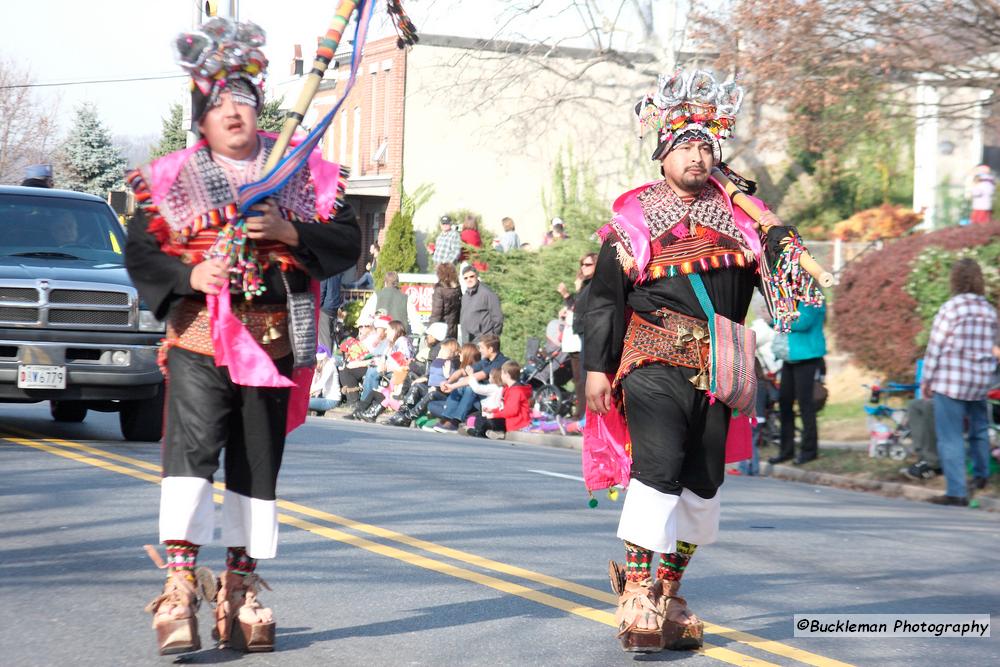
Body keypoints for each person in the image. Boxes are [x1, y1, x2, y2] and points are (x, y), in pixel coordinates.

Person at [123, 16, 360, 656]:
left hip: (274, 343)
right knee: (192, 461)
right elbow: (142, 257)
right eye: (220, 101)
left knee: (257, 466)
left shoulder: (300, 174)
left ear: (260, 109)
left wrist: (290, 235)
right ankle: (179, 587)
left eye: (245, 99)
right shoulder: (171, 178)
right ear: (201, 114)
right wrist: (189, 272)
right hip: (201, 339)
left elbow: (346, 243)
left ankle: (240, 586)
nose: (234, 111)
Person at [584, 69, 821, 653]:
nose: (697, 154)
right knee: (658, 467)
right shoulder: (633, 220)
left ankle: (669, 592)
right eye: (685, 144)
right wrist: (595, 367)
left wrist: (781, 242)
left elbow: (786, 289)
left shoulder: (745, 217)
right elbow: (604, 300)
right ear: (663, 152)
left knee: (703, 485)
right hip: (653, 358)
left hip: (723, 364)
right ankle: (637, 592)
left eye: (705, 145)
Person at [921, 258, 998, 506]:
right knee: (979, 430)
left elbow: (936, 346)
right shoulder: (989, 310)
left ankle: (957, 491)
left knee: (951, 436)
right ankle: (982, 475)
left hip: (951, 379)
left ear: (954, 280)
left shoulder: (951, 308)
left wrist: (927, 379)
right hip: (980, 380)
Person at [768, 302, 827, 465]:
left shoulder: (813, 299)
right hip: (790, 358)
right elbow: (775, 322)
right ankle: (786, 451)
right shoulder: (791, 300)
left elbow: (802, 323)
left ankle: (809, 451)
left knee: (805, 405)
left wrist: (779, 319)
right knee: (784, 403)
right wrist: (778, 319)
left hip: (807, 358)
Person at [432, 333, 508, 432]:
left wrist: (452, 386)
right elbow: (461, 371)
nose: (479, 350)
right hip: (479, 396)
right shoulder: (485, 361)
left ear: (490, 349)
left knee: (469, 387)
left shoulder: (501, 362)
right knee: (433, 404)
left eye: (481, 348)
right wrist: (448, 381)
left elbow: (476, 377)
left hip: (491, 401)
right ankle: (446, 419)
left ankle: (455, 422)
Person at [469, 360, 532, 439]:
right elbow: (508, 408)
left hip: (517, 424)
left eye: (502, 373)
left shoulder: (515, 391)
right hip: (513, 422)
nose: (501, 375)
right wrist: (493, 410)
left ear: (507, 375)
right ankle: (487, 432)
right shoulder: (511, 389)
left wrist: (494, 415)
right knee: (482, 416)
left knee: (485, 420)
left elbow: (511, 411)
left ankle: (481, 432)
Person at [459, 266, 503, 344]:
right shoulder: (465, 296)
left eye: (471, 276)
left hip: (483, 342)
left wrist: (491, 339)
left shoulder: (487, 293)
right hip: (467, 341)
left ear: (477, 276)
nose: (469, 280)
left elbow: (498, 319)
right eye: (466, 278)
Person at [431, 262, 462, 340]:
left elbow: (436, 313)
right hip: (453, 328)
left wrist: (431, 330)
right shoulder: (457, 289)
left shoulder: (440, 290)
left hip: (441, 329)